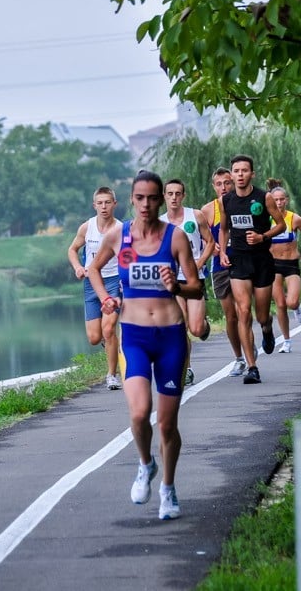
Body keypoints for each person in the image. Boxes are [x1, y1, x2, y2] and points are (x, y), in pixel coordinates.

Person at [86, 170, 202, 521]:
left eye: (154, 198)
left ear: (160, 199)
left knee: (167, 424)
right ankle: (145, 463)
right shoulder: (117, 236)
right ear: (132, 199)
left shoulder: (177, 238)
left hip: (170, 338)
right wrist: (106, 298)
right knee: (139, 414)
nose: (148, 204)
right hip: (134, 337)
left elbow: (197, 288)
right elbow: (93, 270)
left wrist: (177, 287)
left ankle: (168, 489)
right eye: (141, 198)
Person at [218, 155, 286, 385]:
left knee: (261, 315)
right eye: (236, 171)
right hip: (238, 259)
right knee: (243, 311)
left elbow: (281, 224)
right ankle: (252, 366)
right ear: (231, 174)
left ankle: (267, 329)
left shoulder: (263, 197)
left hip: (261, 260)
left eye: (244, 170)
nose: (239, 174)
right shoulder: (226, 200)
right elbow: (224, 228)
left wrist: (262, 236)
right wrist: (222, 252)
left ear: (251, 174)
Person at [67, 187, 123, 390]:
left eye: (107, 202)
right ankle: (110, 344)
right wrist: (78, 267)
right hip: (91, 282)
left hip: (113, 280)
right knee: (94, 338)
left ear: (114, 204)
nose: (104, 207)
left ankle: (111, 375)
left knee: (108, 330)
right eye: (100, 203)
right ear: (94, 206)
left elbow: (129, 257)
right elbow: (72, 250)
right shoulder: (86, 227)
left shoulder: (120, 229)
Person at [160, 178, 215, 386]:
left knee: (196, 329)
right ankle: (186, 368)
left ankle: (204, 324)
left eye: (177, 194)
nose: (174, 197)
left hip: (194, 279)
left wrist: (200, 261)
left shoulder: (196, 216)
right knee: (178, 327)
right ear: (164, 196)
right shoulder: (160, 222)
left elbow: (210, 242)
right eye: (170, 194)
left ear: (183, 196)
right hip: (173, 282)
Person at [200, 167, 247, 377]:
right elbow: (203, 237)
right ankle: (238, 358)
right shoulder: (207, 210)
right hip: (219, 266)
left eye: (227, 183)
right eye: (219, 184)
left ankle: (249, 347)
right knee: (230, 316)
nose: (223, 187)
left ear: (233, 182)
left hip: (242, 262)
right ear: (214, 186)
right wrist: (212, 246)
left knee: (243, 311)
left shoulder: (242, 203)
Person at [266, 179, 301, 354]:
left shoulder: (294, 219)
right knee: (280, 304)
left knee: (291, 302)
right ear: (271, 201)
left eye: (282, 199)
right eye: (276, 200)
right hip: (272, 265)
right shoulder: (266, 220)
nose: (279, 203)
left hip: (291, 264)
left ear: (286, 200)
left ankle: (297, 307)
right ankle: (286, 341)